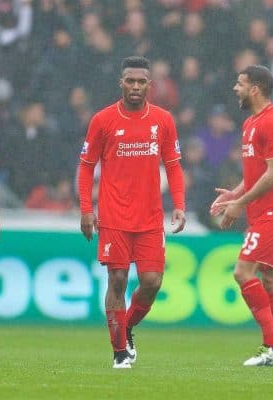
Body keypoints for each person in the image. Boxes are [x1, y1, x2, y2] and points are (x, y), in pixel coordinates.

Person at [78, 56, 186, 369]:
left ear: (150, 86)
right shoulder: (103, 120)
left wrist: (179, 204)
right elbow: (86, 167)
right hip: (113, 217)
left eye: (141, 82)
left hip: (150, 218)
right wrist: (87, 209)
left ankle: (126, 328)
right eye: (130, 81)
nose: (136, 87)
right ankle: (119, 353)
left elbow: (174, 165)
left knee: (152, 281)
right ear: (121, 83)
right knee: (118, 279)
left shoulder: (163, 120)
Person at [210, 65, 273, 367]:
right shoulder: (251, 123)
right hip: (267, 210)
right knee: (272, 278)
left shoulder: (271, 123)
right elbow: (258, 173)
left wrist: (240, 204)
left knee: (242, 272)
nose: (236, 88)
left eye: (240, 83)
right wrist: (235, 195)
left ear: (255, 89)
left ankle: (271, 346)